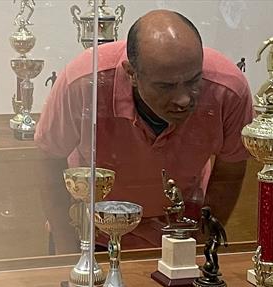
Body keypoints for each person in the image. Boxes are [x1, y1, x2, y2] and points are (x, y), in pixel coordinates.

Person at [34, 9, 253, 253]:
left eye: (193, 81)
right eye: (165, 86)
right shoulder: (84, 81)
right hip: (92, 231)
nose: (182, 99)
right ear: (132, 74)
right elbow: (49, 160)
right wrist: (67, 252)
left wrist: (203, 247)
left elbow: (230, 171)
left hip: (179, 232)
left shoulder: (228, 88)